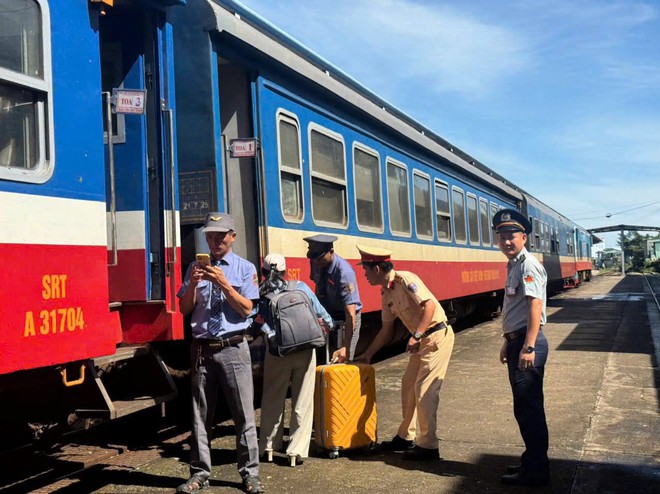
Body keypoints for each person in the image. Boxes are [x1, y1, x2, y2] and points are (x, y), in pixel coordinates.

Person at [176, 213, 264, 494]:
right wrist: (193, 284)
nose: (214, 242)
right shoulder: (194, 267)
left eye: (220, 237)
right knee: (200, 416)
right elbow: (184, 309)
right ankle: (199, 473)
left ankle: (250, 474)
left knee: (243, 414)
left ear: (233, 237)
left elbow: (248, 309)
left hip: (233, 347)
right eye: (210, 237)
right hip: (202, 349)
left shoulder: (245, 268)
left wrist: (224, 284)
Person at [354, 244, 454, 461]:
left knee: (424, 389)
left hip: (436, 337)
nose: (364, 275)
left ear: (377, 269)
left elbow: (429, 306)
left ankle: (428, 446)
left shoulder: (405, 280)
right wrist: (368, 354)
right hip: (422, 340)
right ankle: (406, 436)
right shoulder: (386, 292)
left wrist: (416, 335)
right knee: (408, 385)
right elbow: (386, 329)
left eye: (365, 270)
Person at [256, 253, 333, 466]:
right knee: (303, 399)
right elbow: (324, 316)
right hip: (305, 349)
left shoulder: (261, 293)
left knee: (272, 398)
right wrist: (327, 327)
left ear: (263, 272)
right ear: (285, 271)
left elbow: (257, 321)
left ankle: (268, 447)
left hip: (277, 352)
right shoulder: (301, 287)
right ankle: (295, 451)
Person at [493, 209, 550, 487]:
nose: (506, 241)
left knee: (529, 409)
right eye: (502, 236)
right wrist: (509, 341)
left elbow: (534, 306)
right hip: (518, 342)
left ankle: (536, 470)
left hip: (528, 343)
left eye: (511, 236)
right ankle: (532, 462)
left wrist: (527, 346)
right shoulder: (514, 265)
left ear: (524, 237)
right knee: (525, 408)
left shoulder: (527, 266)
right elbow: (516, 308)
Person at [303, 234, 362, 362]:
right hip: (329, 312)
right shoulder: (315, 261)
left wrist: (346, 346)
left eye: (320, 257)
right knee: (324, 357)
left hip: (346, 317)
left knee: (343, 359)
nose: (316, 261)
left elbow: (350, 314)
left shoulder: (344, 273)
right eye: (313, 257)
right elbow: (317, 285)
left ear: (331, 252)